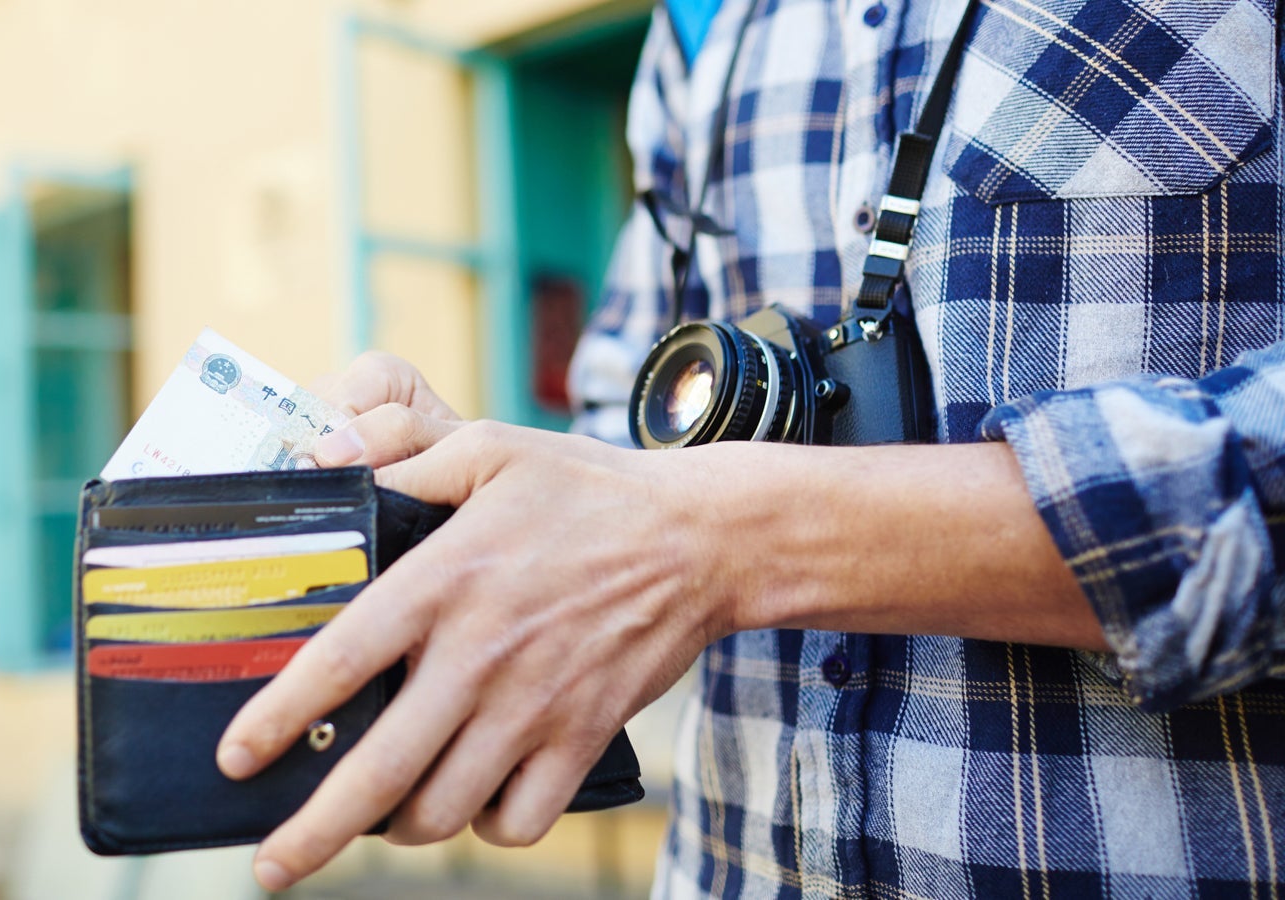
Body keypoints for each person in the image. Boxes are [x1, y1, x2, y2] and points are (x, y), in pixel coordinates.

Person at [218, 0, 1285, 895]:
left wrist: (735, 539)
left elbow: (682, 520)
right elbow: (630, 427)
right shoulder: (697, 24)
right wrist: (475, 499)